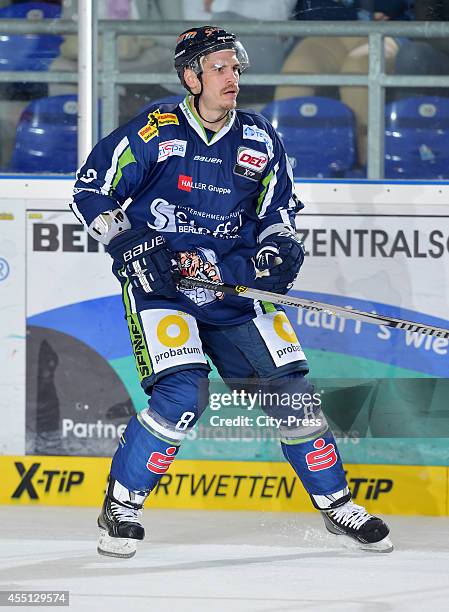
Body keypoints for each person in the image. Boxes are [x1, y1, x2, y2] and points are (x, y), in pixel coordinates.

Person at [71, 26, 392, 558]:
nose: (232, 78)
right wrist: (128, 239)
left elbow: (278, 214)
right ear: (190, 76)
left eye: (236, 68)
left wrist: (280, 248)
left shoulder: (260, 139)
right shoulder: (154, 131)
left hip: (234, 289)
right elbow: (91, 191)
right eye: (219, 68)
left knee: (293, 396)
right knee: (182, 395)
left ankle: (337, 505)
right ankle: (122, 506)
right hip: (164, 288)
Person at [276, 0, 412, 167]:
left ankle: (366, 165)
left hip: (386, 32)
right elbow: (313, 11)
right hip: (329, 31)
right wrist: (357, 13)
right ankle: (284, 162)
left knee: (358, 68)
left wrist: (348, 10)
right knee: (297, 71)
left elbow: (387, 8)